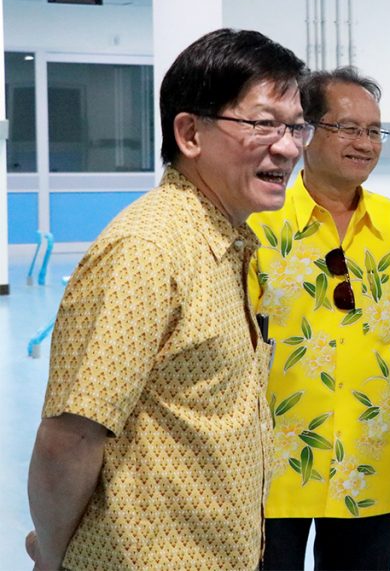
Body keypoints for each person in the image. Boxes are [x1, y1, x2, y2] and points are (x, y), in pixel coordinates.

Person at [25, 28, 309, 570]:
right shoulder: (147, 252)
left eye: (296, 126)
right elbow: (70, 436)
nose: (289, 146)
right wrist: (52, 560)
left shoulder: (229, 241)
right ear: (189, 133)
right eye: (263, 124)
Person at [249, 67, 390, 571]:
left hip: (368, 459)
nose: (365, 143)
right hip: (269, 463)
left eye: (374, 131)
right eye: (347, 128)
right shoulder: (258, 223)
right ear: (305, 131)